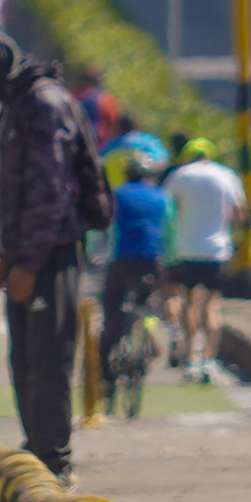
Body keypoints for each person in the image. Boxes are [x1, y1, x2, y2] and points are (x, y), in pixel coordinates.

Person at [0, 26, 100, 477]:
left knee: (49, 362)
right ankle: (39, 452)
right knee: (27, 360)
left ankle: (54, 465)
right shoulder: (19, 102)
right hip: (31, 254)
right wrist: (8, 257)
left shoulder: (42, 104)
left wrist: (28, 263)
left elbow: (50, 192)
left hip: (51, 255)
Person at [161, 138, 246, 382]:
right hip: (217, 250)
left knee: (189, 303)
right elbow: (240, 214)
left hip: (186, 249)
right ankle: (209, 359)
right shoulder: (226, 176)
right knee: (212, 306)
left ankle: (191, 359)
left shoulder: (180, 176)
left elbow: (166, 209)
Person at [97, 147, 167, 365]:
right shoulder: (161, 197)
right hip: (152, 260)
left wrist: (95, 255)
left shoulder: (116, 195)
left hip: (122, 260)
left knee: (112, 307)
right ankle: (149, 326)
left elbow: (104, 229)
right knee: (149, 299)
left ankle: (106, 366)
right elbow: (171, 232)